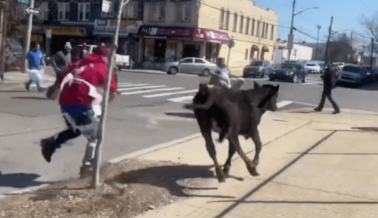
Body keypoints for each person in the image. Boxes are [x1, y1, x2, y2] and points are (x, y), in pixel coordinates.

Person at [40, 45, 119, 178]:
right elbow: (113, 94)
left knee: (76, 130)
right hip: (81, 106)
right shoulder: (105, 68)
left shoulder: (78, 63)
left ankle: (51, 143)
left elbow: (57, 85)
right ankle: (87, 168)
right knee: (96, 136)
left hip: (65, 105)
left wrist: (53, 93)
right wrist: (100, 106)